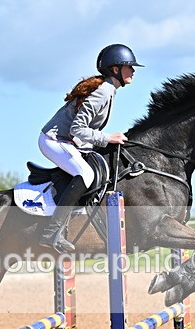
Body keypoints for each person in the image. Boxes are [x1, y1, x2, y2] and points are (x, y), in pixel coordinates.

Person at [36, 43, 143, 253]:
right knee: (85, 173)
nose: (133, 71)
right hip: (54, 140)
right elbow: (77, 129)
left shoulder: (108, 89)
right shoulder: (103, 92)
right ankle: (51, 233)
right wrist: (107, 137)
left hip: (68, 140)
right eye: (129, 66)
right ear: (115, 69)